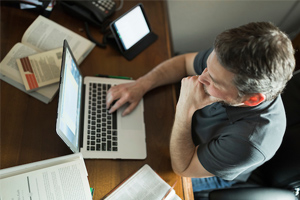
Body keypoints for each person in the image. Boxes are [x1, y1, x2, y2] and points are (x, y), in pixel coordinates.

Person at [106, 22, 296, 192]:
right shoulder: (227, 61)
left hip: (205, 166)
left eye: (213, 81)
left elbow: (183, 168)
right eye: (206, 67)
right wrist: (141, 84)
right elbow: (183, 63)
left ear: (252, 100)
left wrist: (184, 109)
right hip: (188, 129)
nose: (199, 77)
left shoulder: (250, 143)